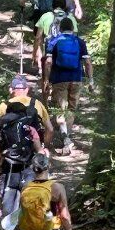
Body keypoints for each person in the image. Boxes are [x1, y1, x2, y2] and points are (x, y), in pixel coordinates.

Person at [0, 76, 53, 230]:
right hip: (30, 163)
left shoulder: (4, 106)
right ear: (26, 90)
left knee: (9, 205)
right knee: (31, 203)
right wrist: (43, 147)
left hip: (8, 165)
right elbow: (49, 129)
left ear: (11, 90)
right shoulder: (37, 104)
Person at [42, 17, 93, 156]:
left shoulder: (53, 41)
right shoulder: (80, 41)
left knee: (61, 109)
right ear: (73, 28)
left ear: (60, 28)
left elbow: (48, 63)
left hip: (59, 80)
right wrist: (91, 81)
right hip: (76, 80)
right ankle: (67, 136)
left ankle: (65, 138)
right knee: (71, 109)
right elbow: (87, 63)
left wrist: (46, 80)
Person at [33, 0, 78, 75]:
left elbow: (38, 37)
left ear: (52, 5)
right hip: (66, 51)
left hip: (49, 51)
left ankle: (46, 84)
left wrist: (35, 53)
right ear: (64, 6)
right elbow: (75, 37)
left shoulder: (45, 16)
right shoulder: (71, 18)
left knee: (46, 75)